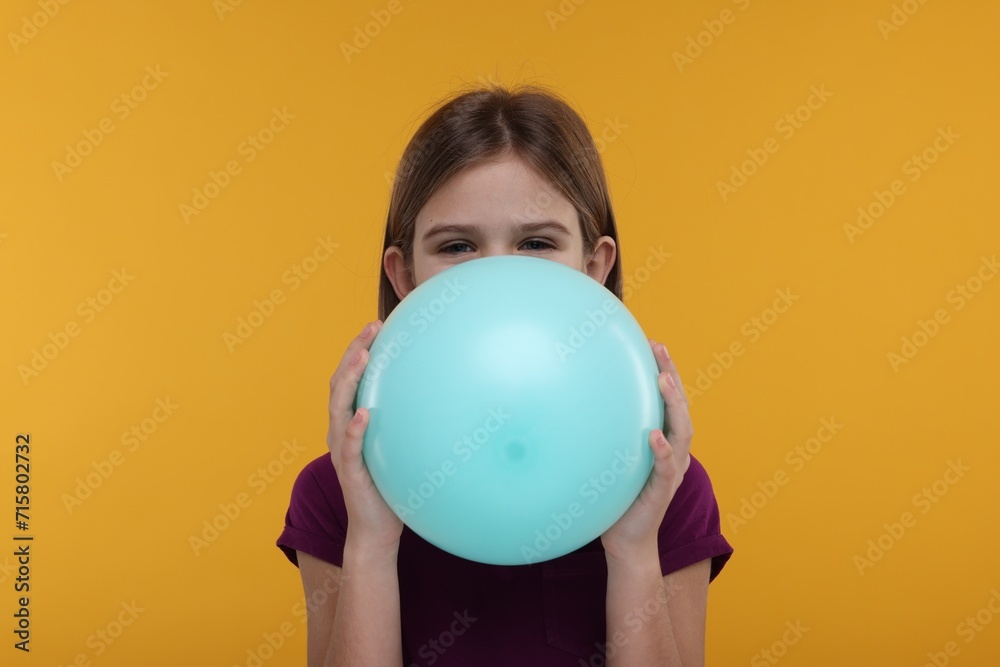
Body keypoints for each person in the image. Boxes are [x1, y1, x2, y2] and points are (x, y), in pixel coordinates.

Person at [277, 82, 734, 667]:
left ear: (594, 267)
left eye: (537, 242)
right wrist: (371, 538)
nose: (496, 280)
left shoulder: (669, 492)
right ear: (405, 275)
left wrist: (633, 550)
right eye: (458, 246)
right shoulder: (334, 495)